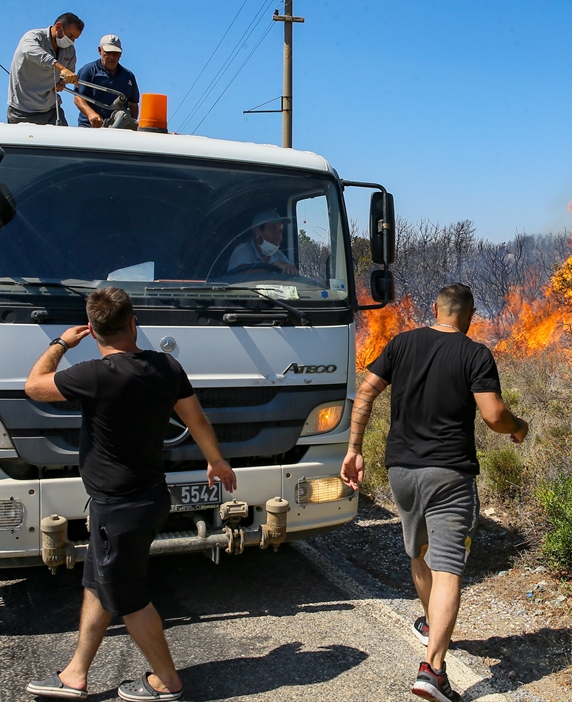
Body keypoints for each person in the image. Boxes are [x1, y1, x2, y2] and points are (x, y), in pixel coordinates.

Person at [23, 287, 237, 702]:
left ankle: (167, 682)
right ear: (133, 323)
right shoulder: (166, 366)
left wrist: (60, 343)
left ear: (94, 333)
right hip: (149, 497)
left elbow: (33, 386)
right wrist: (216, 460)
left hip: (119, 509)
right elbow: (195, 417)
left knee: (130, 598)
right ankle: (75, 673)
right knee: (99, 585)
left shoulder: (92, 375)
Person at [341, 284, 529, 702]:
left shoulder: (401, 343)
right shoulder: (474, 353)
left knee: (419, 553)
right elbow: (494, 415)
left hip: (402, 472)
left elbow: (366, 393)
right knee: (448, 567)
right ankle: (434, 671)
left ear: (435, 309)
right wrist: (519, 428)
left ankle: (430, 624)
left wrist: (354, 449)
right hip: (449, 474)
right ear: (471, 314)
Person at [8, 13, 84, 126]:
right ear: (58, 27)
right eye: (70, 36)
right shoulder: (33, 37)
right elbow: (32, 53)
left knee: (65, 141)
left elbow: (68, 73)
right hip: (23, 111)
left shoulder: (70, 50)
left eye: (75, 38)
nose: (72, 41)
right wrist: (61, 69)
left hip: (52, 110)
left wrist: (61, 82)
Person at [74, 35, 140, 128]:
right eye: (108, 52)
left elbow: (133, 104)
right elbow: (78, 98)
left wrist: (131, 127)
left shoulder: (128, 76)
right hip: (90, 127)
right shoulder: (89, 71)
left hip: (118, 129)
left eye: (116, 53)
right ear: (99, 50)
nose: (112, 57)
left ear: (121, 54)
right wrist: (90, 114)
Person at [226, 209, 295, 273]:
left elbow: (291, 276)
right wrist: (273, 266)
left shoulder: (278, 255)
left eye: (280, 231)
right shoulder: (244, 250)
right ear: (257, 231)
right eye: (273, 229)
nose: (279, 237)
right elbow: (240, 273)